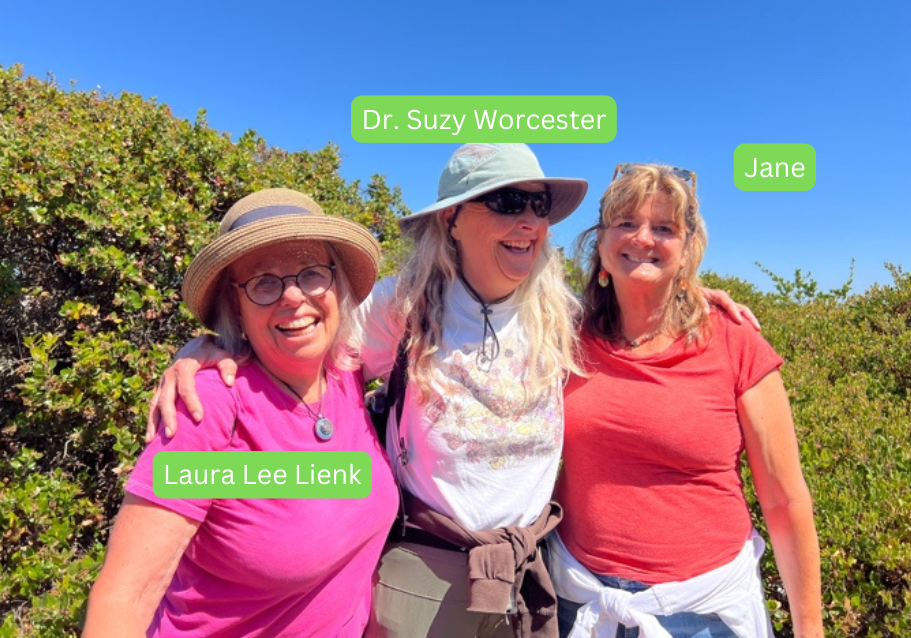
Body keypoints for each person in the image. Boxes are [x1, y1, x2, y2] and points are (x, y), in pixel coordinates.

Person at [149, 145, 756, 638]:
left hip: (531, 571)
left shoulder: (563, 313)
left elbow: (638, 314)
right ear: (453, 219)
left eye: (538, 204)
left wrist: (693, 297)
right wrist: (211, 349)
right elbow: (299, 339)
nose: (528, 221)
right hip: (426, 571)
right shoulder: (400, 305)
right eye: (506, 201)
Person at [83, 189, 398, 637]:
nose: (293, 296)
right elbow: (124, 598)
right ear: (236, 307)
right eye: (263, 282)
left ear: (336, 285)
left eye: (311, 273)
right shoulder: (210, 404)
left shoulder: (346, 371)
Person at [547, 164, 823, 638]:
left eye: (664, 228)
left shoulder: (734, 340)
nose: (643, 238)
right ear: (601, 244)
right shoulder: (565, 335)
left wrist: (810, 629)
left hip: (703, 613)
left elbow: (783, 498)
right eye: (626, 222)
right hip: (581, 599)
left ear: (688, 247)